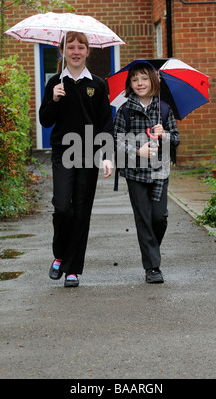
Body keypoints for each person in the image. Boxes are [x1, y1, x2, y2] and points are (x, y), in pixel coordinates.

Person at [39, 31, 113, 287]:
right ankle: (59, 253)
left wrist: (106, 156)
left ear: (88, 51)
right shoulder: (54, 83)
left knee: (82, 210)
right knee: (62, 207)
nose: (76, 51)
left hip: (89, 153)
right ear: (63, 52)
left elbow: (105, 122)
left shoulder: (98, 84)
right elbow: (45, 120)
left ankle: (72, 269)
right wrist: (55, 100)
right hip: (64, 151)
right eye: (70, 47)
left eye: (81, 46)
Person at [113, 62, 180, 284]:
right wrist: (137, 150)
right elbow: (117, 142)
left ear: (153, 81)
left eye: (144, 78)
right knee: (143, 218)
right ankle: (152, 267)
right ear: (129, 84)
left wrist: (165, 135)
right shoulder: (125, 110)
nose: (139, 83)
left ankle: (151, 249)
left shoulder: (164, 109)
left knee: (159, 217)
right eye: (134, 79)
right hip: (135, 173)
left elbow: (176, 141)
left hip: (160, 172)